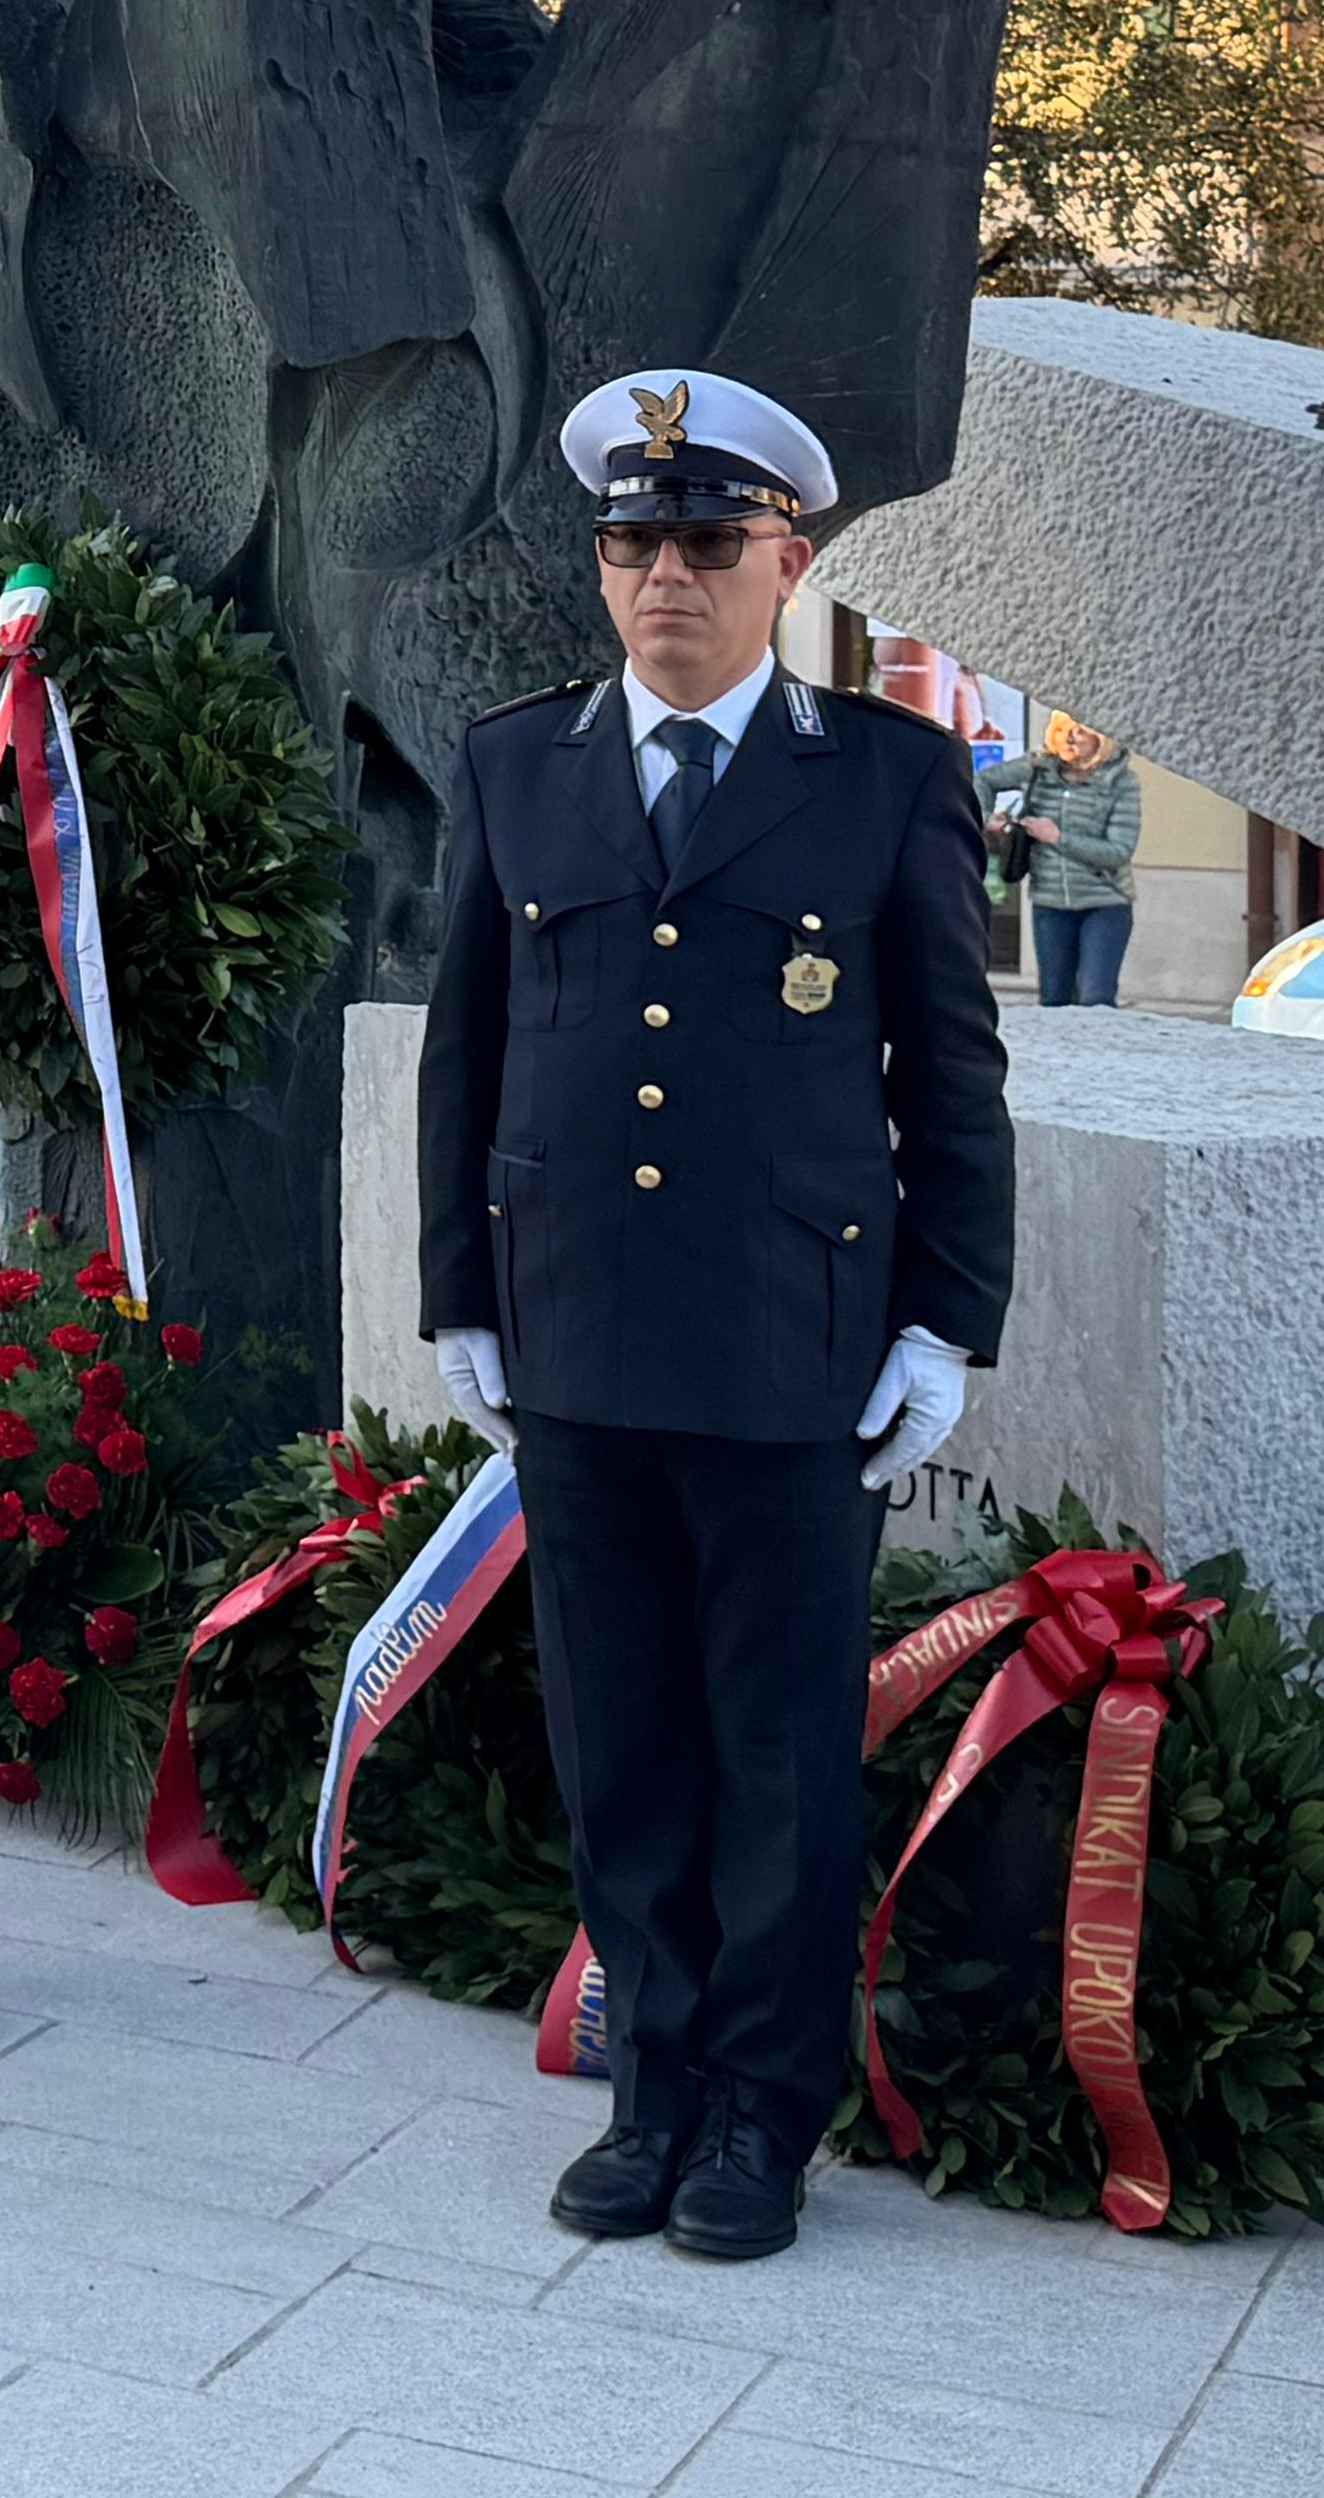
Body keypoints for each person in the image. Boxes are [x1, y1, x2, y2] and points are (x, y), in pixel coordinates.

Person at [419, 367, 1013, 2263]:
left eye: (705, 542)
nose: (664, 575)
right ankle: (654, 2081)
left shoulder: (888, 777)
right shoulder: (520, 766)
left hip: (789, 1346)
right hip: (579, 1342)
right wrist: (461, 1293)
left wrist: (943, 1323)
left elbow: (953, 1076)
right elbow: (469, 1054)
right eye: (631, 543)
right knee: (623, 1742)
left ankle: (764, 2112)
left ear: (790, 562)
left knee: (771, 1746)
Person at [990, 713, 1143, 1010]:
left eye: (1079, 731)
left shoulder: (1121, 781)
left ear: (1101, 739)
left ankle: (1096, 1055)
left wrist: (1058, 838)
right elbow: (982, 780)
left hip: (1104, 902)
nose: (1068, 738)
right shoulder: (1039, 769)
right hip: (1050, 902)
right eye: (1061, 730)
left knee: (1095, 1000)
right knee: (1054, 999)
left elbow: (1119, 850)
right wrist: (986, 818)